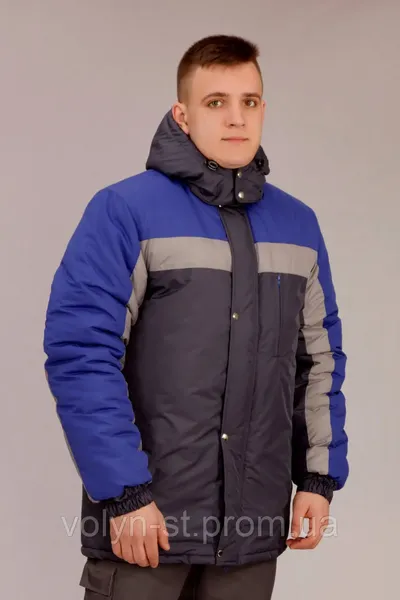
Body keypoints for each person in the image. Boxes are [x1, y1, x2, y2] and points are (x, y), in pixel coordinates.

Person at [43, 34, 349, 600]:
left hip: (251, 533)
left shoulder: (298, 225)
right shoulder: (125, 210)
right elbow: (82, 355)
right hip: (147, 527)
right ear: (182, 115)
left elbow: (319, 362)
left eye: (249, 101)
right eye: (216, 102)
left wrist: (317, 477)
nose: (236, 117)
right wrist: (125, 494)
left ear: (263, 108)